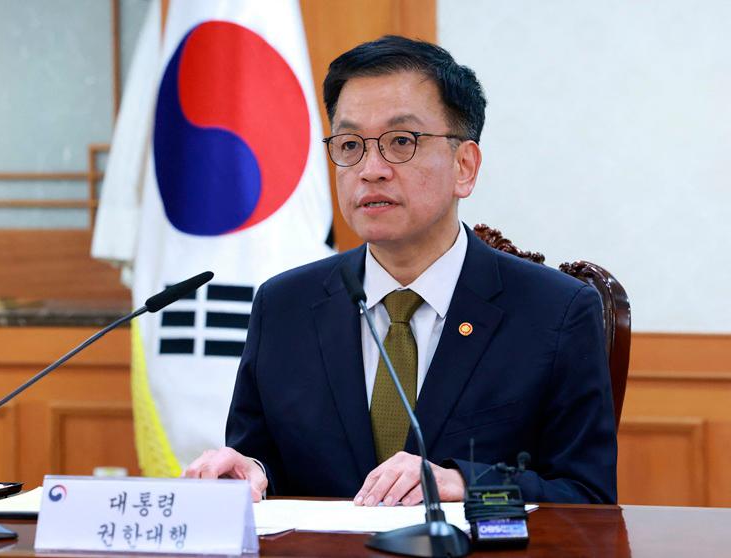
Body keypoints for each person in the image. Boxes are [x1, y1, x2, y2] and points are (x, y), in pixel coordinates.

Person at [184, 35, 617, 505]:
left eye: (400, 142)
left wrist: (467, 484)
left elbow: (587, 498)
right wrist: (247, 474)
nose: (371, 168)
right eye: (350, 144)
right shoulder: (284, 305)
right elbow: (263, 464)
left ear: (464, 166)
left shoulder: (555, 311)